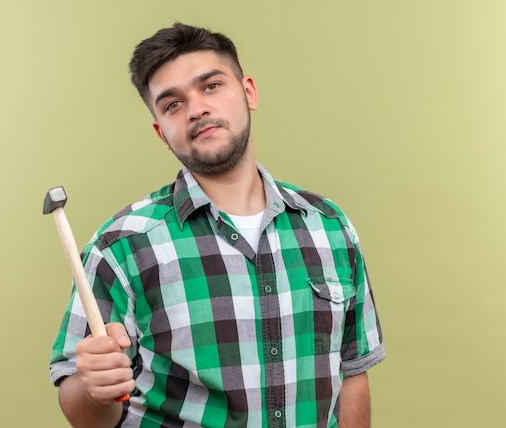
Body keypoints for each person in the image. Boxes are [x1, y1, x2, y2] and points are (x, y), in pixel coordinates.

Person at [49, 23, 385, 428]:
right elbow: (85, 413)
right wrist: (93, 387)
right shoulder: (122, 246)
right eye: (172, 104)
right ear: (162, 133)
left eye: (210, 86)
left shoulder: (330, 227)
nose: (196, 109)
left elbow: (351, 375)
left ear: (249, 93)